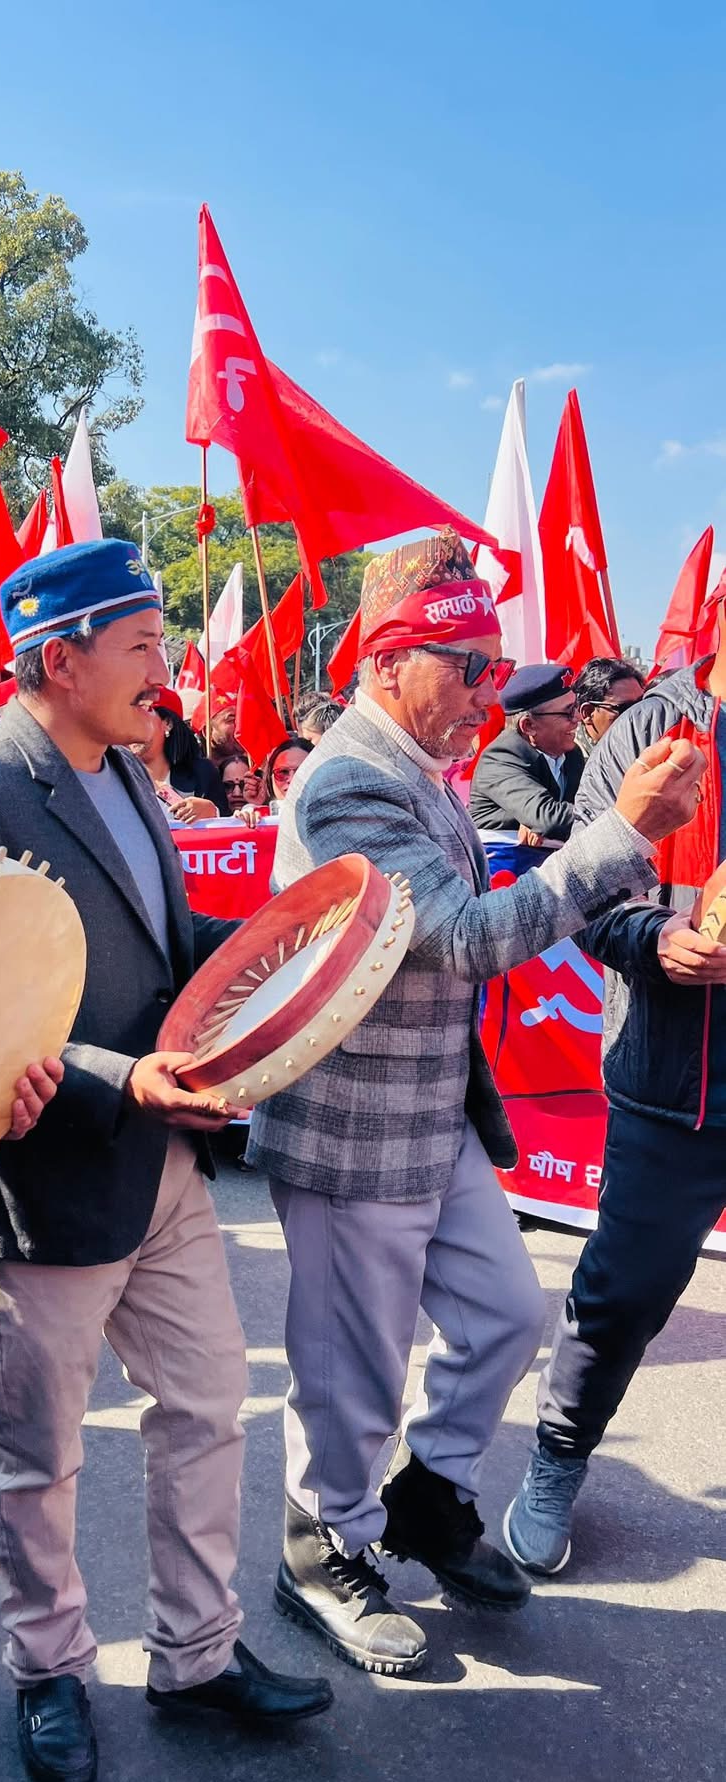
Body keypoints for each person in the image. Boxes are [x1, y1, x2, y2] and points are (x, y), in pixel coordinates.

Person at [0, 540, 333, 1782]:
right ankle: (47, 1671)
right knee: (41, 1454)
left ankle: (196, 1655)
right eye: (141, 644)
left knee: (206, 1407)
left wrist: (274, 946)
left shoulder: (130, 767)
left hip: (162, 1171)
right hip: (40, 1187)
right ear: (58, 659)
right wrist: (116, 1078)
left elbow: (161, 943)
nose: (163, 668)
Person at [245, 528, 703, 1677]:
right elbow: (459, 941)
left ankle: (429, 1497)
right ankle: (321, 1548)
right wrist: (623, 835)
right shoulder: (349, 778)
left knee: (504, 1315)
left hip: (430, 1115)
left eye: (491, 666)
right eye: (464, 666)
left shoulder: (411, 764)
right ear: (386, 660)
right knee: (351, 1373)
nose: (485, 692)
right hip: (352, 1127)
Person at [504, 624, 726, 1576]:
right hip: (673, 1084)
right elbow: (589, 896)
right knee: (623, 1295)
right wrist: (658, 942)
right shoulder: (648, 730)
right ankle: (557, 1456)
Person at [469, 663, 584, 846]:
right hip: (502, 861)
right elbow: (548, 818)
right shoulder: (500, 758)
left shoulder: (572, 755)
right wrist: (616, 817)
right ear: (528, 726)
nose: (578, 718)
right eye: (568, 712)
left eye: (576, 707)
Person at [130, 684, 228, 821]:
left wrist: (212, 812)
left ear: (167, 723)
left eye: (142, 715)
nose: (132, 727)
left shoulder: (201, 773)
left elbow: (228, 826)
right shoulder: (114, 775)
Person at [575, 656, 646, 751]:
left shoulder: (647, 748)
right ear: (588, 713)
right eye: (625, 709)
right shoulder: (567, 756)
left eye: (642, 705)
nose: (638, 717)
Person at [264, 734, 311, 805]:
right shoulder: (255, 811)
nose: (292, 780)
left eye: (301, 771)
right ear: (270, 778)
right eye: (283, 772)